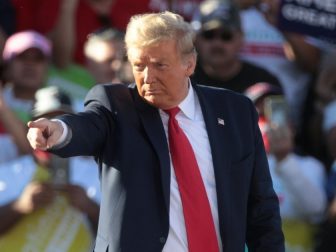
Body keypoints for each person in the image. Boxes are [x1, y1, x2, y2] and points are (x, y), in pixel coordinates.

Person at [26, 11, 284, 252]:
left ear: (189, 64)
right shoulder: (116, 106)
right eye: (139, 66)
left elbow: (261, 207)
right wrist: (59, 130)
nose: (148, 78)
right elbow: (88, 125)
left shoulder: (235, 111)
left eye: (160, 65)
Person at [0, 86, 101, 251]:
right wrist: (18, 207)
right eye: (45, 121)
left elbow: (121, 234)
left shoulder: (97, 174)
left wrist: (91, 208)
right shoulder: (8, 173)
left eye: (62, 121)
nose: (52, 128)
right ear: (29, 128)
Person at [245, 82, 327, 252]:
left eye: (275, 113)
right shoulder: (236, 166)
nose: (268, 124)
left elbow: (317, 211)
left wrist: (285, 160)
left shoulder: (311, 166)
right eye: (259, 115)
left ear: (291, 126)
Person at [190, 0, 282, 94]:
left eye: (226, 36)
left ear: (241, 38)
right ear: (196, 39)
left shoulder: (264, 82)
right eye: (209, 35)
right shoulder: (183, 81)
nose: (217, 43)